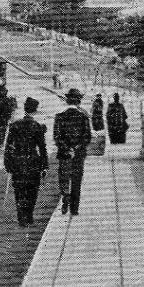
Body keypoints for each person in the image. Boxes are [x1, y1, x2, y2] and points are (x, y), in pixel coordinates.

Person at [4, 97, 50, 227]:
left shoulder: (15, 126)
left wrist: (8, 164)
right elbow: (42, 148)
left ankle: (21, 217)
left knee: (19, 191)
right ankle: (28, 215)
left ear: (25, 109)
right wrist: (45, 166)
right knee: (32, 190)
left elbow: (8, 147)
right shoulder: (37, 127)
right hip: (33, 163)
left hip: (18, 162)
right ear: (35, 111)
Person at [52, 88, 92, 216]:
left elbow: (57, 137)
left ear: (67, 101)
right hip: (79, 155)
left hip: (64, 154)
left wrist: (67, 149)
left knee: (63, 178)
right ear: (79, 102)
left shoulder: (59, 117)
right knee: (76, 180)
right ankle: (74, 209)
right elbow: (87, 137)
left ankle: (65, 196)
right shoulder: (83, 117)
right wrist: (76, 148)